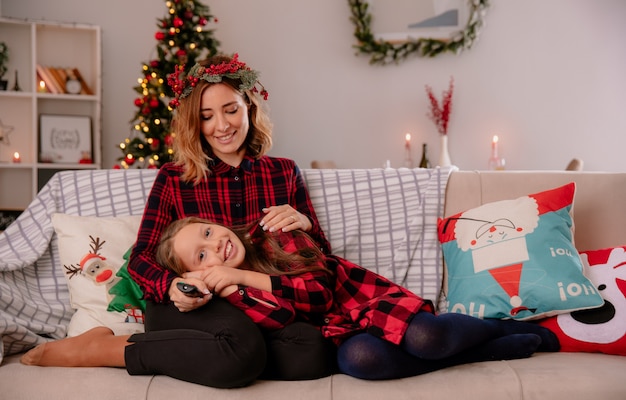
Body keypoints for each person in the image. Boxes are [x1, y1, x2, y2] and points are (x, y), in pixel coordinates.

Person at [21, 53, 335, 388]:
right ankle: (105, 349)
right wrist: (171, 286)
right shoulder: (174, 178)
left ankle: (225, 352)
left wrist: (304, 223)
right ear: (194, 122)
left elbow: (321, 258)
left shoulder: (283, 172)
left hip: (259, 301)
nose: (223, 125)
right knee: (242, 352)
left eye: (231, 110)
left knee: (313, 351)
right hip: (192, 303)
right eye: (207, 116)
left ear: (250, 107)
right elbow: (141, 258)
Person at [154, 216, 561, 380]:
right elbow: (282, 321)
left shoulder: (276, 232)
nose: (216, 245)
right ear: (196, 272)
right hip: (337, 332)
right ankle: (479, 353)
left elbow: (315, 295)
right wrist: (230, 287)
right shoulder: (234, 292)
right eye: (201, 255)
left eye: (208, 231)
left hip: (361, 301)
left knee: (425, 339)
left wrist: (240, 274)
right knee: (360, 362)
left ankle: (500, 326)